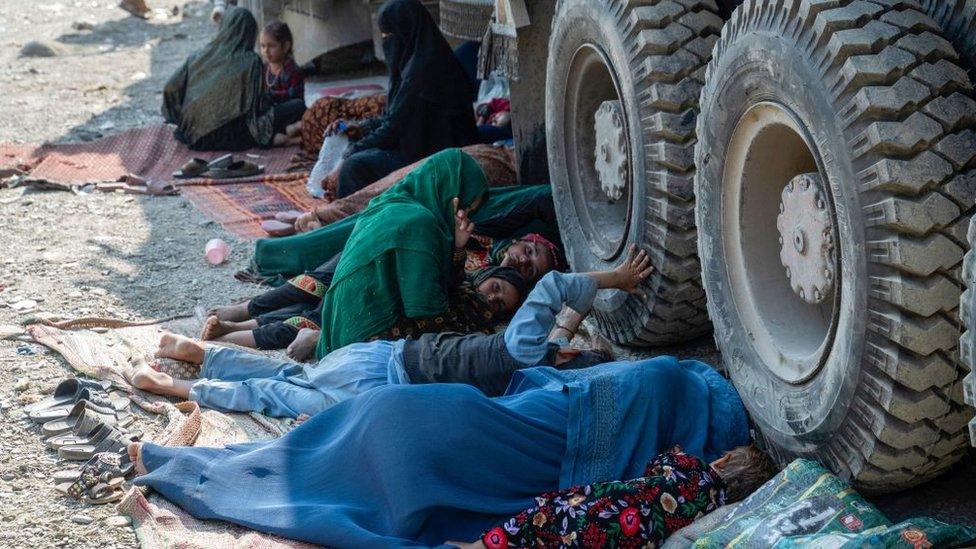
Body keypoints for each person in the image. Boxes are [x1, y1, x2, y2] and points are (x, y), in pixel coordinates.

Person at [127, 354, 752, 547]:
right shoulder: (649, 483)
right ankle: (183, 466)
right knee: (335, 495)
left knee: (308, 459)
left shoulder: (570, 397)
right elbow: (566, 518)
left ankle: (178, 460)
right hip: (431, 443)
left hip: (416, 408)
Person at [127, 245, 652, 417]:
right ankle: (178, 385)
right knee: (274, 395)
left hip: (374, 358)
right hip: (378, 385)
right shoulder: (522, 355)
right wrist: (618, 280)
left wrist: (609, 286)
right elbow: (558, 298)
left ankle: (196, 350)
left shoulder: (526, 353)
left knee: (288, 375)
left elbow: (563, 313)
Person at [460, 445, 777, 549]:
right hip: (618, 539)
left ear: (721, 461)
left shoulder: (690, 466)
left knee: (528, 526)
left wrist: (676, 454)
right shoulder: (715, 510)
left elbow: (660, 461)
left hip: (599, 511)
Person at [201, 262, 526, 361]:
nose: (490, 298)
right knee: (328, 276)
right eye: (495, 287)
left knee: (314, 321)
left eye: (499, 304)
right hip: (364, 289)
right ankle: (243, 311)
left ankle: (230, 334)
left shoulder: (473, 321)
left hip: (370, 316)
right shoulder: (461, 272)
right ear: (489, 275)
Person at [324, 0, 479, 198]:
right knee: (354, 146)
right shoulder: (421, 61)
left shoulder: (422, 72)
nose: (386, 41)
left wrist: (346, 158)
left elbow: (392, 130)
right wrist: (360, 128)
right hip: (422, 147)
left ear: (406, 30)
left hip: (439, 159)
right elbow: (399, 118)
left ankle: (354, 220)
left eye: (389, 35)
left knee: (354, 166)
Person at [161, 7, 295, 151]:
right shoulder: (251, 61)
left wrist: (179, 120)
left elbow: (170, 88)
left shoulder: (197, 56)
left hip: (191, 136)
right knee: (297, 106)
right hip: (228, 136)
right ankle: (282, 136)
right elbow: (257, 108)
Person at [259, 21, 306, 147]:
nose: (266, 51)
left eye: (271, 46)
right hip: (272, 113)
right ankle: (287, 135)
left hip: (288, 111)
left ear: (285, 46)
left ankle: (288, 131)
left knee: (298, 105)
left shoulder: (292, 70)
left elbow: (294, 98)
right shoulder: (263, 68)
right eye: (262, 46)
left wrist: (269, 96)